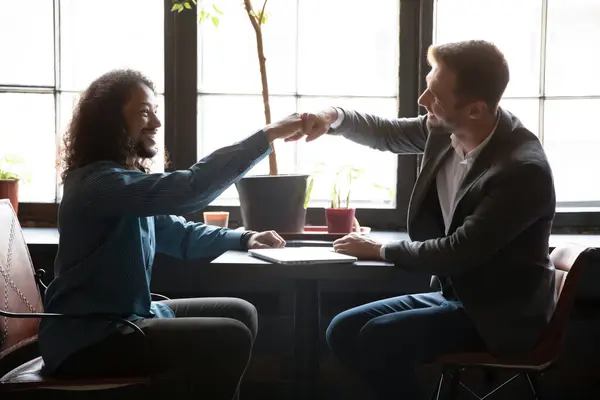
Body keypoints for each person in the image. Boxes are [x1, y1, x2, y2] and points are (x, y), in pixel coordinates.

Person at [292, 40, 557, 399]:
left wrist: (382, 250)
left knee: (378, 339)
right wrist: (331, 117)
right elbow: (386, 133)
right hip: (455, 296)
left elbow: (458, 252)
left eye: (434, 95)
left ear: (476, 110)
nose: (422, 101)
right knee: (342, 331)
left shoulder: (521, 170)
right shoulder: (447, 129)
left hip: (499, 316)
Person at [38, 69, 305, 398]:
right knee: (229, 336)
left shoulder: (121, 181)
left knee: (241, 313)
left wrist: (243, 238)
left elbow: (177, 234)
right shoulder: (98, 185)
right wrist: (268, 135)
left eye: (155, 112)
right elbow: (193, 188)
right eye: (144, 111)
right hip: (88, 339)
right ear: (110, 121)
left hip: (127, 321)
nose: (156, 123)